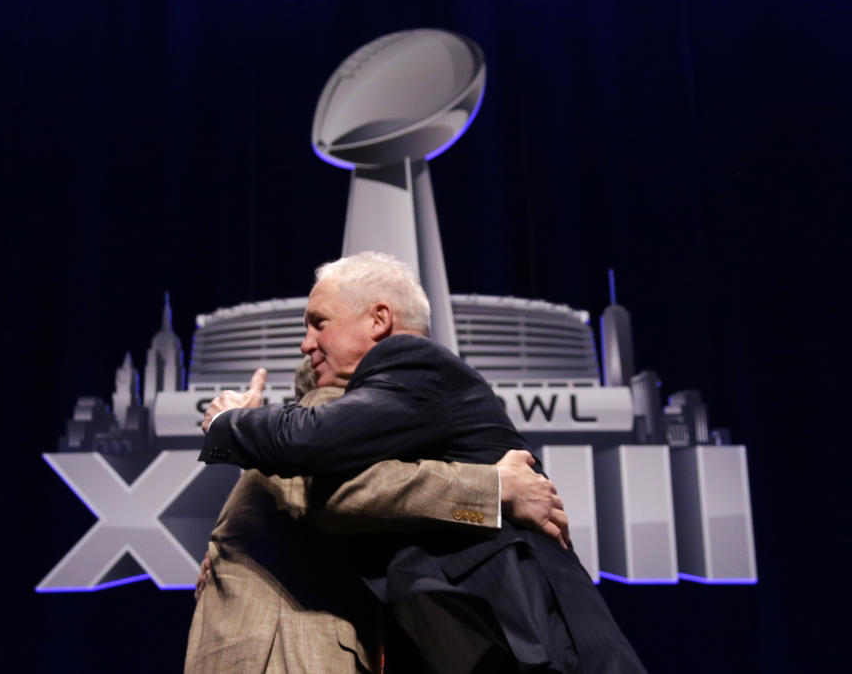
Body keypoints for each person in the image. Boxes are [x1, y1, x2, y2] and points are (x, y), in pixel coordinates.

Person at [201, 252, 646, 673]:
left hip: (530, 638)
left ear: (378, 319)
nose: (306, 343)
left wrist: (225, 424)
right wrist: (496, 490)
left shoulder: (410, 363)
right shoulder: (385, 405)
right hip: (485, 640)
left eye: (319, 323)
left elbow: (321, 469)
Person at [186, 362, 570, 673]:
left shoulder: (284, 452)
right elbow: (349, 493)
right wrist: (496, 489)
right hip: (283, 656)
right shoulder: (320, 417)